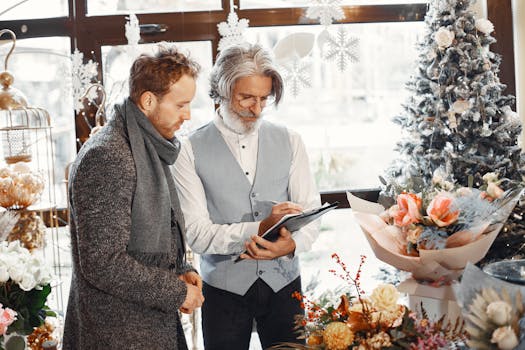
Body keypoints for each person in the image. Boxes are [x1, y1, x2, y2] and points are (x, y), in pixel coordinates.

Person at [173, 43, 321, 350]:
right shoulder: (188, 149)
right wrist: (260, 227)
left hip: (285, 286)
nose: (257, 109)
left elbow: (311, 213)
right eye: (246, 98)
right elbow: (197, 235)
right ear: (221, 93)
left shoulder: (291, 141)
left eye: (264, 99)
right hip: (223, 292)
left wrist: (293, 243)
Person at [63, 46, 204, 350]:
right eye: (181, 105)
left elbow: (151, 238)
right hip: (116, 335)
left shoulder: (143, 144)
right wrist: (176, 292)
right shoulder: (108, 156)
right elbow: (103, 262)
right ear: (148, 101)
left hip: (148, 327)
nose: (188, 115)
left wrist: (182, 271)